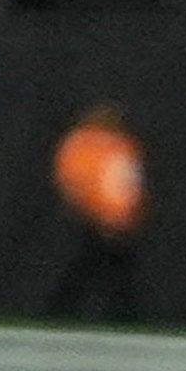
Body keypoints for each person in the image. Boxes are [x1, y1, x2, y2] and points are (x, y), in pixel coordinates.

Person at [49, 100, 152, 320]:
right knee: (94, 268)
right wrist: (95, 212)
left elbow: (128, 184)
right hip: (95, 219)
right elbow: (78, 181)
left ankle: (121, 314)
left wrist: (125, 215)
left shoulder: (120, 145)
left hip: (116, 220)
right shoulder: (85, 144)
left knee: (107, 270)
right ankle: (61, 310)